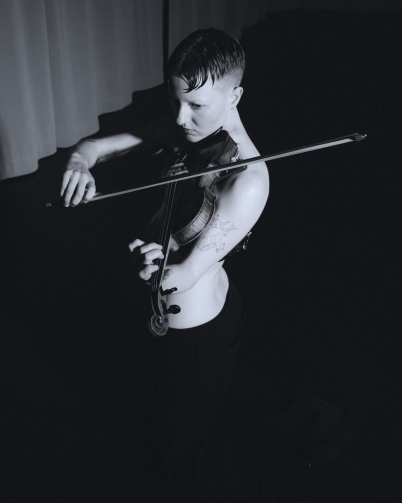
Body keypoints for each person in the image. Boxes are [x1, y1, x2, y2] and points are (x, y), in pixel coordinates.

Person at [60, 28, 357, 502]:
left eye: (196, 105)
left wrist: (157, 266)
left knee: (174, 462)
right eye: (175, 100)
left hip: (194, 332)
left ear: (234, 96)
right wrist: (80, 160)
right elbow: (99, 146)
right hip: (213, 316)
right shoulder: (188, 133)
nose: (181, 117)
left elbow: (186, 273)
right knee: (234, 388)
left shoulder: (247, 179)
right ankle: (322, 425)